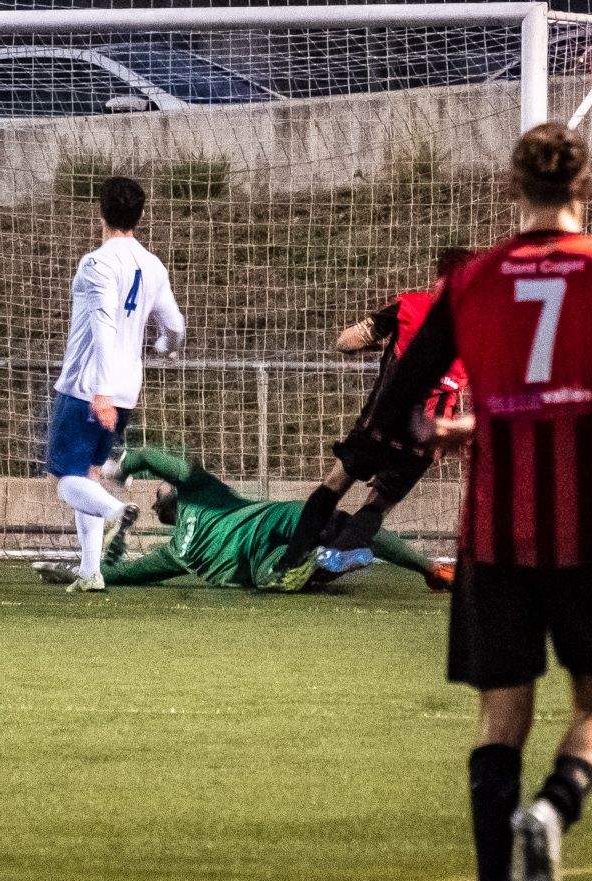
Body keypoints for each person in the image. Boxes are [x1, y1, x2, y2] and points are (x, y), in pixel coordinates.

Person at [360, 122, 592, 881]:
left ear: (513, 188)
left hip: (495, 530)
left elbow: (400, 396)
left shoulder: (472, 280)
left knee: (502, 715)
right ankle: (552, 807)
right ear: (587, 186)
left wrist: (435, 430)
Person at [35, 445, 449, 592]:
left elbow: (119, 574)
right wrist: (120, 469)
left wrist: (88, 563)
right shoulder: (200, 492)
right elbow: (149, 457)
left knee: (277, 571)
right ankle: (429, 569)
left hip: (262, 547)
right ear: (169, 503)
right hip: (277, 522)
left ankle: (317, 563)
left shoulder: (179, 552)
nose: (159, 488)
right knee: (345, 527)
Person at [285, 248, 473, 573]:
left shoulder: (409, 306)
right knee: (379, 505)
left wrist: (372, 344)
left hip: (379, 427)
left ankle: (290, 563)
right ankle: (332, 560)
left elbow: (346, 342)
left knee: (334, 484)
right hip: (426, 440)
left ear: (439, 277)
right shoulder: (483, 328)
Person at [43, 175, 185, 591]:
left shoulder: (96, 263)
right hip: (126, 391)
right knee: (88, 475)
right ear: (139, 216)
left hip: (87, 388)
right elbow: (175, 326)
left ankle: (115, 511)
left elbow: (103, 325)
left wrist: (100, 391)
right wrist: (164, 346)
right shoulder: (152, 265)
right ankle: (91, 571)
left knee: (64, 480)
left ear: (100, 213)